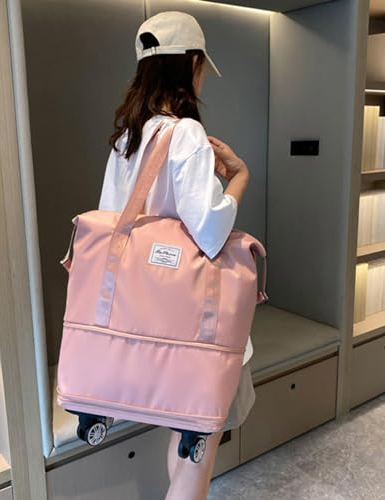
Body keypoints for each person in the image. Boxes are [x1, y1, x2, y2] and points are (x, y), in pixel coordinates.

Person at [98, 11, 256, 500]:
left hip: (144, 321)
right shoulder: (184, 133)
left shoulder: (127, 139)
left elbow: (110, 222)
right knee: (197, 447)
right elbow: (210, 233)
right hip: (191, 325)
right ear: (191, 63)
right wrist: (239, 177)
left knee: (185, 439)